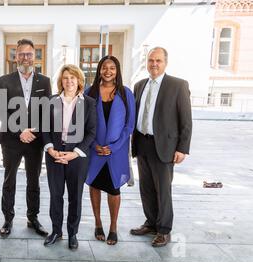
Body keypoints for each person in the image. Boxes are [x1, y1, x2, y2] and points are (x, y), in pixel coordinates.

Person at [130, 47, 192, 247]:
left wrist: (182, 148)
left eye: (158, 60)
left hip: (164, 145)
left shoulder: (178, 85)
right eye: (150, 60)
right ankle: (151, 223)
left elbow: (186, 120)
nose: (154, 64)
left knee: (163, 190)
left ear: (165, 62)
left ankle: (164, 229)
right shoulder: (139, 85)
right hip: (142, 143)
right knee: (146, 188)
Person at [0, 39, 52, 237]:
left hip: (34, 141)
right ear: (16, 56)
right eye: (21, 54)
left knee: (33, 181)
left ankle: (33, 218)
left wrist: (33, 132)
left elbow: (46, 112)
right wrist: (20, 130)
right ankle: (8, 219)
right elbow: (0, 110)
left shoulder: (44, 81)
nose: (25, 57)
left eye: (29, 54)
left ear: (34, 56)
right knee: (9, 180)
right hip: (11, 139)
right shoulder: (4, 80)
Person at [42, 65, 96, 250]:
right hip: (55, 155)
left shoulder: (88, 103)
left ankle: (73, 233)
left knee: (75, 197)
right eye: (65, 77)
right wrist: (50, 150)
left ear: (79, 80)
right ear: (61, 81)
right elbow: (45, 129)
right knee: (56, 195)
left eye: (73, 77)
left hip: (77, 157)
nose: (69, 81)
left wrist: (75, 153)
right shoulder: (51, 101)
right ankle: (56, 231)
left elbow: (91, 132)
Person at [85, 55, 135, 245]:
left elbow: (129, 126)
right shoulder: (91, 92)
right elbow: (85, 123)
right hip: (95, 149)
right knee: (95, 185)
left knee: (114, 190)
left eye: (112, 68)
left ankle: (113, 226)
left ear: (117, 70)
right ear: (99, 69)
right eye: (104, 67)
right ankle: (98, 223)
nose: (108, 71)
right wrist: (93, 144)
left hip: (116, 151)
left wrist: (113, 147)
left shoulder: (125, 93)